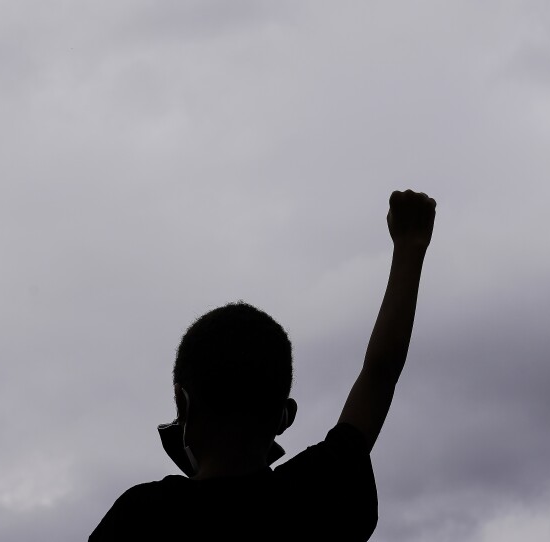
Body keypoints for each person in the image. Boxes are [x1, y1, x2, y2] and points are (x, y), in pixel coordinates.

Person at [89, 189, 436, 541]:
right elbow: (379, 375)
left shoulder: (140, 518)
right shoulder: (318, 496)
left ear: (184, 404)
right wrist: (410, 247)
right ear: (285, 415)